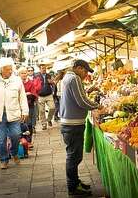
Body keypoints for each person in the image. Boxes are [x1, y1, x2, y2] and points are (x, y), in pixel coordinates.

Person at [60, 59, 99, 196]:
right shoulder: (74, 78)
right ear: (78, 68)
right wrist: (97, 106)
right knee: (74, 157)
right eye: (85, 70)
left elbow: (75, 96)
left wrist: (88, 90)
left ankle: (75, 182)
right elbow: (81, 101)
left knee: (74, 156)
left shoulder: (68, 77)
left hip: (69, 123)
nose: (85, 74)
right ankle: (73, 187)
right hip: (72, 124)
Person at [0, 58, 29, 169]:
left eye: (11, 69)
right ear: (1, 70)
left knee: (16, 135)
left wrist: (25, 111)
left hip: (14, 113)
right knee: (1, 140)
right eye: (8, 69)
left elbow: (22, 97)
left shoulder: (17, 80)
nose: (10, 71)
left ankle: (14, 153)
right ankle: (4, 159)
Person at [18, 67, 41, 145]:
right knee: (21, 124)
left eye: (25, 73)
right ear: (19, 74)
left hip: (29, 105)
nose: (24, 74)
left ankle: (29, 140)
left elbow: (34, 93)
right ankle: (22, 140)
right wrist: (26, 93)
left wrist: (28, 94)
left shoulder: (31, 82)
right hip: (19, 106)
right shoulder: (17, 83)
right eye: (22, 73)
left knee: (29, 123)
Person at [35, 62, 55, 130]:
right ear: (40, 69)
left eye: (45, 68)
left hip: (49, 94)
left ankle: (49, 119)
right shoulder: (36, 76)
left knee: (52, 107)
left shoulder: (49, 75)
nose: (44, 69)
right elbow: (34, 85)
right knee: (41, 111)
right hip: (40, 95)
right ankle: (44, 124)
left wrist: (52, 82)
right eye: (42, 68)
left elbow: (53, 83)